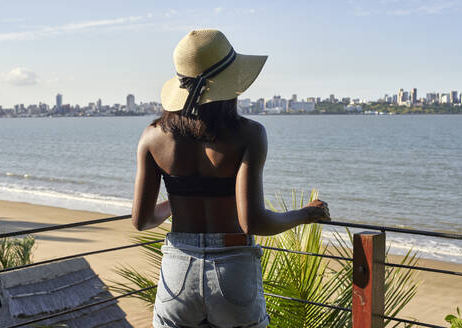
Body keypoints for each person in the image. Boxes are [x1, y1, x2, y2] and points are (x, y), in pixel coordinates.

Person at [132, 29, 330, 328]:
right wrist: (306, 214)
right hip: (232, 269)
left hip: (177, 275)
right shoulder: (249, 134)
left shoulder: (152, 136)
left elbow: (142, 220)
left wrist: (179, 198)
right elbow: (254, 222)